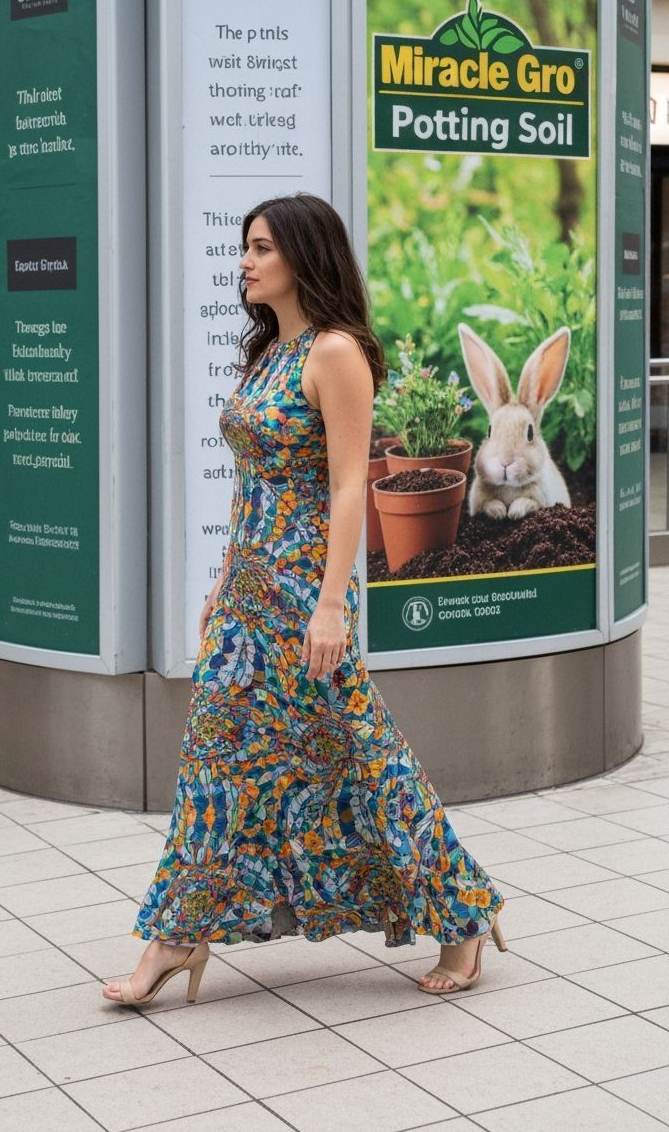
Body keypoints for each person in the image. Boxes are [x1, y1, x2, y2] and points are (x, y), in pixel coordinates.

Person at [102, 193, 506, 1007]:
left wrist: (332, 606)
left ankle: (463, 915)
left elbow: (352, 485)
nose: (245, 261)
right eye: (243, 247)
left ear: (302, 255)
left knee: (360, 753)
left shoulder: (335, 354)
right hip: (249, 592)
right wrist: (221, 580)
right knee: (217, 763)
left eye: (259, 247)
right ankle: (176, 936)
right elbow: (251, 483)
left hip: (300, 593)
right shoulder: (269, 355)